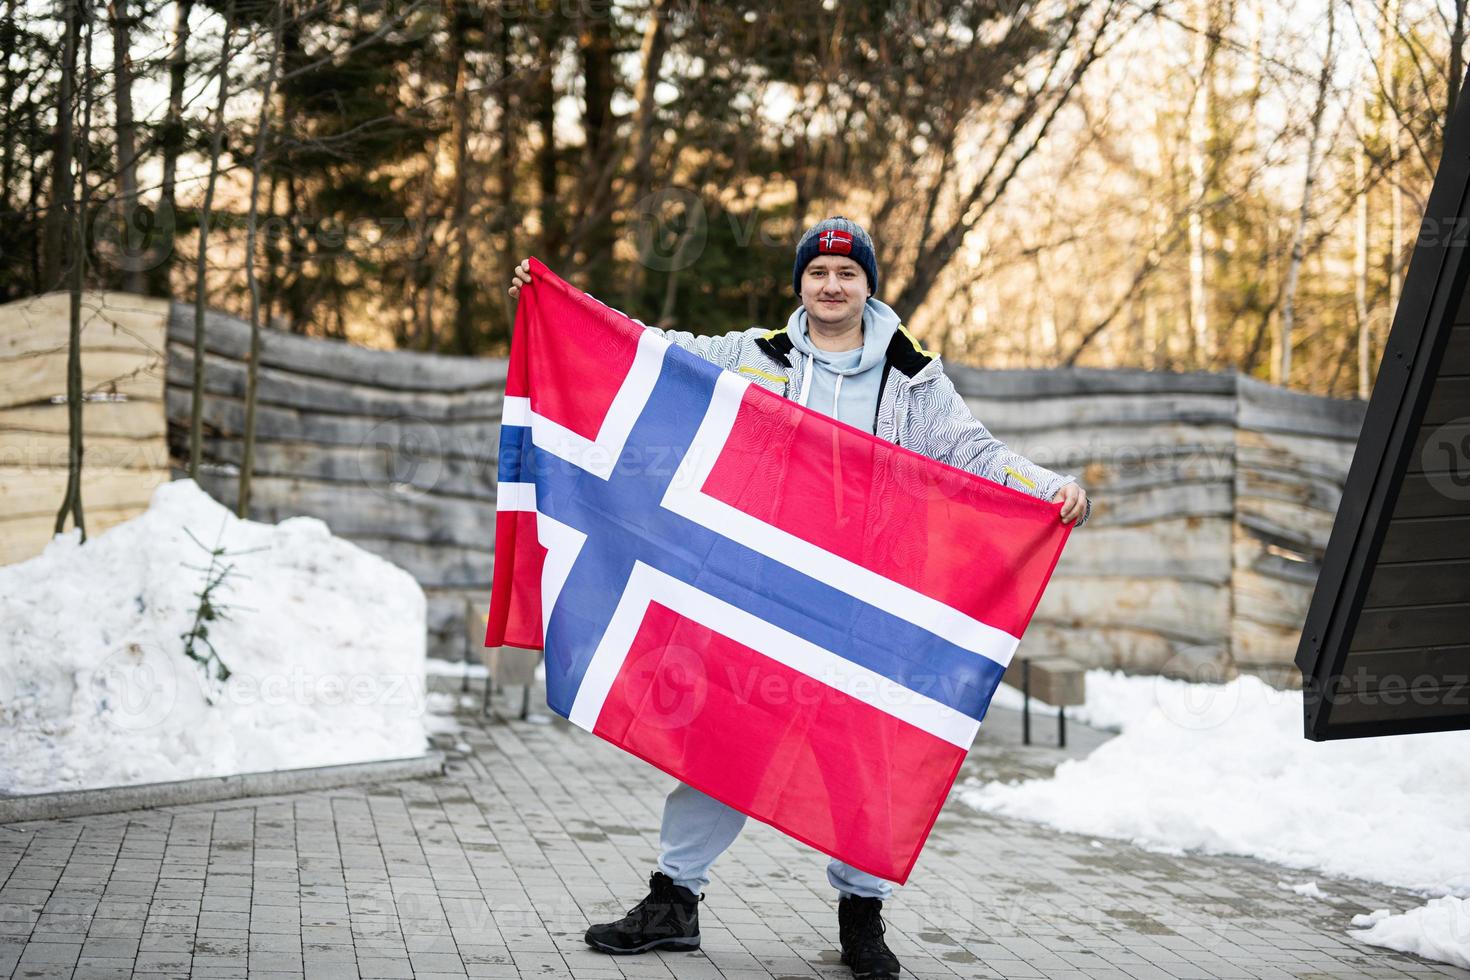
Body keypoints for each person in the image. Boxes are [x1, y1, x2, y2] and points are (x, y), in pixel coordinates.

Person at [508, 217, 1090, 980]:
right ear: (801, 284)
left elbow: (973, 452)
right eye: (818, 273)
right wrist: (563, 303)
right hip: (759, 590)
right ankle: (674, 900)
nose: (832, 285)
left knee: (861, 759)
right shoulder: (754, 355)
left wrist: (1049, 488)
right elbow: (651, 351)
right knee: (721, 742)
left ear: (869, 286)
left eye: (848, 274)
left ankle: (861, 915)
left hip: (865, 596)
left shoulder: (912, 377)